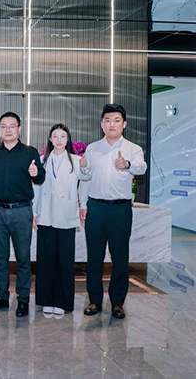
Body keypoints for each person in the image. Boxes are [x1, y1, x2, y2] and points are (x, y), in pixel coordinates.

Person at [79, 104, 147, 319]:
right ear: (102, 124)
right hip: (96, 208)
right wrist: (83, 204)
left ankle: (117, 303)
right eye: (107, 120)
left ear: (124, 124)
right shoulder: (92, 148)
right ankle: (94, 301)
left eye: (116, 120)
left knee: (120, 257)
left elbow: (142, 167)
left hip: (120, 209)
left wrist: (127, 164)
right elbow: (85, 179)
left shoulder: (133, 149)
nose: (112, 124)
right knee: (94, 257)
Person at [0, 111, 45, 317]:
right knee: (0, 258)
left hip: (21, 211)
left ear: (19, 129)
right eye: (4, 126)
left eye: (12, 126)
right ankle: (2, 297)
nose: (8, 130)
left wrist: (36, 173)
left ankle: (23, 299)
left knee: (23, 259)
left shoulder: (30, 152)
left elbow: (40, 178)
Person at [33, 123, 89, 316]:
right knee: (46, 260)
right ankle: (46, 300)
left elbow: (86, 178)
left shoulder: (76, 160)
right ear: (50, 139)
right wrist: (34, 212)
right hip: (46, 214)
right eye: (55, 136)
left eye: (62, 136)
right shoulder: (42, 160)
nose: (59, 140)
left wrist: (85, 166)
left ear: (68, 139)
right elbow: (36, 188)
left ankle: (63, 301)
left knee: (64, 261)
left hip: (66, 214)